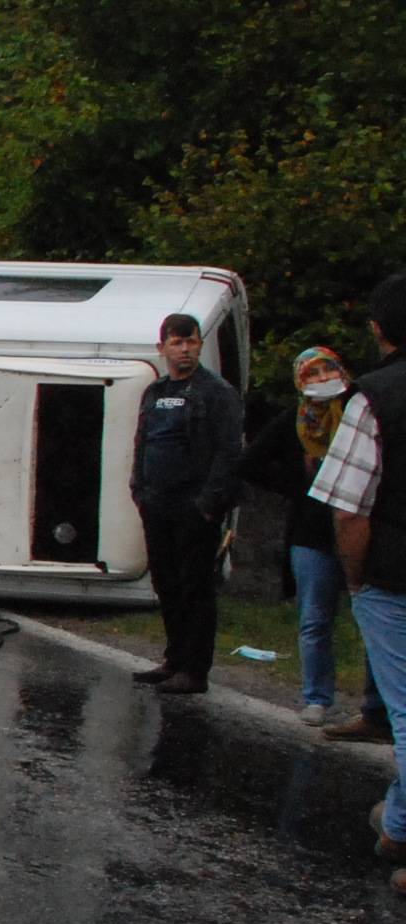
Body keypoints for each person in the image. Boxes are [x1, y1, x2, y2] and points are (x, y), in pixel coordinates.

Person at [314, 273, 406, 893]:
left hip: (393, 574)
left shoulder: (371, 398)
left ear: (377, 329)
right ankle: (398, 822)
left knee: (404, 709)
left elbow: (349, 508)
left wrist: (356, 579)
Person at [242, 347, 386, 730]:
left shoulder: (363, 413)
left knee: (372, 617)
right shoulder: (295, 422)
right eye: (313, 373)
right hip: (312, 532)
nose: (323, 380)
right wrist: (299, 482)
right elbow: (250, 462)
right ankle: (317, 698)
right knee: (315, 619)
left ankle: (376, 704)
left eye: (329, 371)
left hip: (360, 528)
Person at [127, 311, 245, 696]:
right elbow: (143, 442)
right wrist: (138, 489)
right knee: (167, 582)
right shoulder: (156, 392)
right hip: (156, 502)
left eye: (191, 341)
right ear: (162, 348)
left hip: (193, 505)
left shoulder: (216, 393)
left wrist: (209, 504)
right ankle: (174, 658)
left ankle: (195, 669)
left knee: (195, 585)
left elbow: (229, 453)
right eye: (177, 343)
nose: (185, 350)